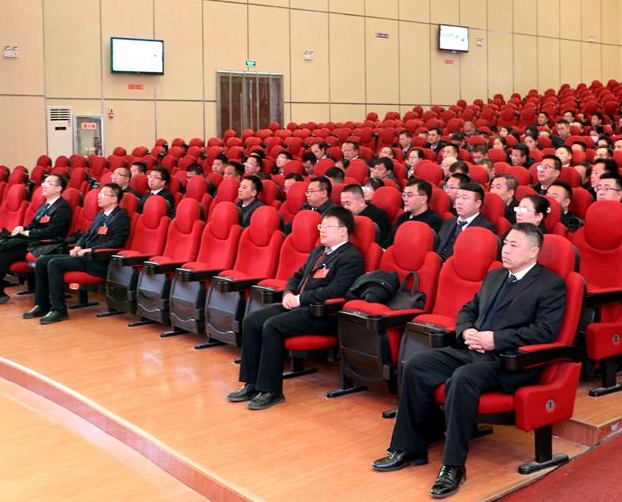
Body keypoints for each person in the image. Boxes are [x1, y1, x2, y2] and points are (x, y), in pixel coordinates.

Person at [372, 223, 566, 499]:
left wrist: (495, 340)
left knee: (462, 378)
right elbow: (468, 309)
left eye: (514, 245)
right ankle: (409, 448)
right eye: (505, 243)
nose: (505, 249)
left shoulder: (550, 284)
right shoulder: (496, 276)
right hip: (473, 350)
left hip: (509, 361)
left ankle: (453, 466)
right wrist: (467, 331)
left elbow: (545, 331)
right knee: (416, 366)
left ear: (533, 252)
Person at [228, 207, 364, 410]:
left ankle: (271, 391)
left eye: (327, 226)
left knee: (273, 325)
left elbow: (335, 290)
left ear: (343, 230)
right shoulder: (319, 251)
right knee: (252, 320)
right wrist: (288, 293)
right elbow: (297, 275)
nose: (322, 230)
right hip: (300, 306)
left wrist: (300, 299)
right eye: (320, 226)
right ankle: (252, 384)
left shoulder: (351, 257)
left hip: (322, 314)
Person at [22, 183, 131, 324]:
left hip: (97, 260)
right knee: (42, 260)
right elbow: (86, 235)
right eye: (99, 193)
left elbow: (116, 243)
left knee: (54, 264)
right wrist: (78, 246)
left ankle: (59, 310)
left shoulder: (121, 217)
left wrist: (90, 250)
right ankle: (42, 305)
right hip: (84, 257)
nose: (99, 196)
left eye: (103, 194)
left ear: (114, 199)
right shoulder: (101, 214)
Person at [0, 175, 73, 306]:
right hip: (31, 241)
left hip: (44, 244)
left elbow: (52, 232)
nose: (43, 185)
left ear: (58, 188)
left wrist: (27, 233)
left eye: (48, 183)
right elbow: (34, 225)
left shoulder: (62, 207)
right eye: (44, 182)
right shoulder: (44, 206)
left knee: (5, 254)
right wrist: (23, 228)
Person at [434, 182, 498, 260]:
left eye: (464, 198)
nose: (459, 202)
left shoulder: (485, 229)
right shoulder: (448, 222)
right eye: (457, 197)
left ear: (478, 203)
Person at [384, 179, 442, 247]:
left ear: (423, 199)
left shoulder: (433, 221)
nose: (405, 199)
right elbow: (388, 244)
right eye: (404, 195)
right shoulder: (402, 217)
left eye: (409, 195)